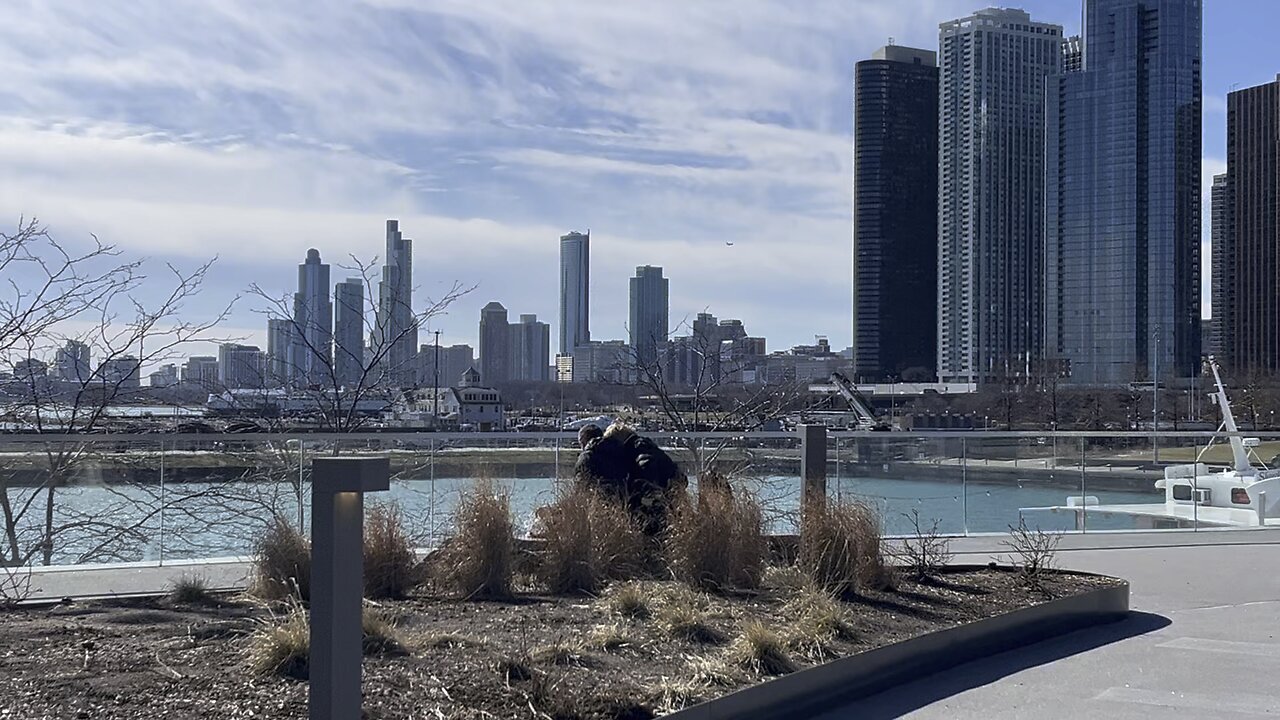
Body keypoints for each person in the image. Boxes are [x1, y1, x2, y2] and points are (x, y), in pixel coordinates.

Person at [573, 422, 686, 535]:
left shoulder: (636, 450)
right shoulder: (648, 446)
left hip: (654, 510)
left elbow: (646, 473)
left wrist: (642, 497)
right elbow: (680, 478)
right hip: (671, 507)